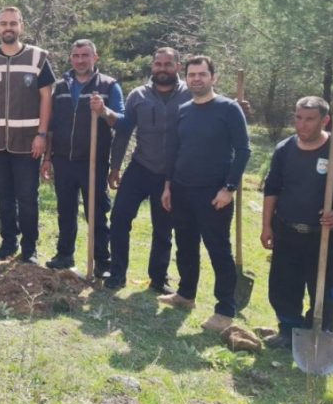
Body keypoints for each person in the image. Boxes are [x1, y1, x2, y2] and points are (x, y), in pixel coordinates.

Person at [260, 96, 333, 349]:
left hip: (324, 235)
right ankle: (288, 329)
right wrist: (267, 225)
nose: (302, 125)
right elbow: (272, 188)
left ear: (325, 120)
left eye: (310, 119)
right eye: (298, 118)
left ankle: (318, 331)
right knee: (283, 283)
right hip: (287, 230)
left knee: (322, 286)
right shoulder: (285, 149)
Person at [160, 55, 251, 333]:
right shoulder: (184, 109)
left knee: (218, 250)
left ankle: (225, 309)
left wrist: (229, 188)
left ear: (213, 77)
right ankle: (185, 295)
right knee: (185, 245)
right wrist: (167, 186)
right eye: (192, 74)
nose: (196, 79)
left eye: (202, 74)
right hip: (182, 190)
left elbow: (244, 151)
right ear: (185, 77)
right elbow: (173, 150)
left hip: (215, 194)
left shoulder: (229, 109)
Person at [0, 7, 55, 262]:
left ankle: (29, 249)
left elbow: (46, 97)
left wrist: (42, 135)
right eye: (4, 23)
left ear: (21, 27)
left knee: (28, 197)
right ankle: (8, 243)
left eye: (13, 23)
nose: (8, 28)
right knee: (4, 196)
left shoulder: (38, 58)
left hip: (28, 143)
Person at [106, 48, 191, 292]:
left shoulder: (190, 94)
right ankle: (117, 273)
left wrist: (239, 108)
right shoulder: (138, 95)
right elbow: (123, 132)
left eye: (167, 64)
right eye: (158, 64)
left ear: (177, 66)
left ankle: (159, 278)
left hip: (172, 174)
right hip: (141, 167)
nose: (162, 68)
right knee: (120, 218)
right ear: (152, 66)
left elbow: (217, 108)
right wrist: (115, 168)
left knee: (163, 228)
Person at [42, 40, 124, 277]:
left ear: (95, 58)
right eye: (76, 55)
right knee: (65, 210)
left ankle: (101, 262)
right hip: (63, 160)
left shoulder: (109, 86)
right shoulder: (60, 87)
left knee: (96, 213)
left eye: (85, 55)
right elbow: (52, 126)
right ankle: (64, 255)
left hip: (93, 162)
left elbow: (120, 120)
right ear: (70, 58)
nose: (80, 60)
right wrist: (47, 158)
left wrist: (103, 111)